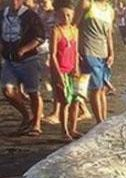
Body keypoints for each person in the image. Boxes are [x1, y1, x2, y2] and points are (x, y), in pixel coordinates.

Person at [0, 0, 46, 136]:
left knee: (33, 92)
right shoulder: (2, 15)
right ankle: (27, 116)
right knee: (8, 91)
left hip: (28, 60)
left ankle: (36, 124)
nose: (14, 2)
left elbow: (39, 37)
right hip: (9, 60)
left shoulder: (30, 15)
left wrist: (24, 49)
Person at [75, 0, 114, 123]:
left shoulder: (110, 10)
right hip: (88, 50)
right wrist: (75, 49)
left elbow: (109, 34)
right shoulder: (86, 4)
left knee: (102, 88)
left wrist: (111, 52)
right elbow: (73, 26)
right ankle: (99, 121)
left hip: (104, 53)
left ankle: (104, 121)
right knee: (95, 88)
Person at [49, 0, 81, 141]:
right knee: (64, 102)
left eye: (69, 15)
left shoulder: (74, 30)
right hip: (60, 70)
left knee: (76, 100)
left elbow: (75, 51)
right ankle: (64, 131)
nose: (66, 18)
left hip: (72, 71)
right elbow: (53, 55)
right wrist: (58, 74)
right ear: (57, 15)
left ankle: (73, 128)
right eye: (63, 15)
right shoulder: (55, 31)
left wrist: (77, 67)